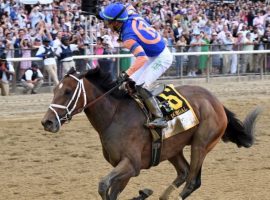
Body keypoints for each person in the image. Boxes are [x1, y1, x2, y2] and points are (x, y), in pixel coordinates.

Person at [99, 2, 173, 128]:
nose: (107, 25)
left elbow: (141, 59)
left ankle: (160, 117)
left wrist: (126, 73)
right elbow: (127, 5)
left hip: (161, 57)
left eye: (108, 22)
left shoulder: (128, 37)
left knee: (140, 86)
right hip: (151, 56)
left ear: (117, 22)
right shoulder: (130, 14)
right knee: (128, 85)